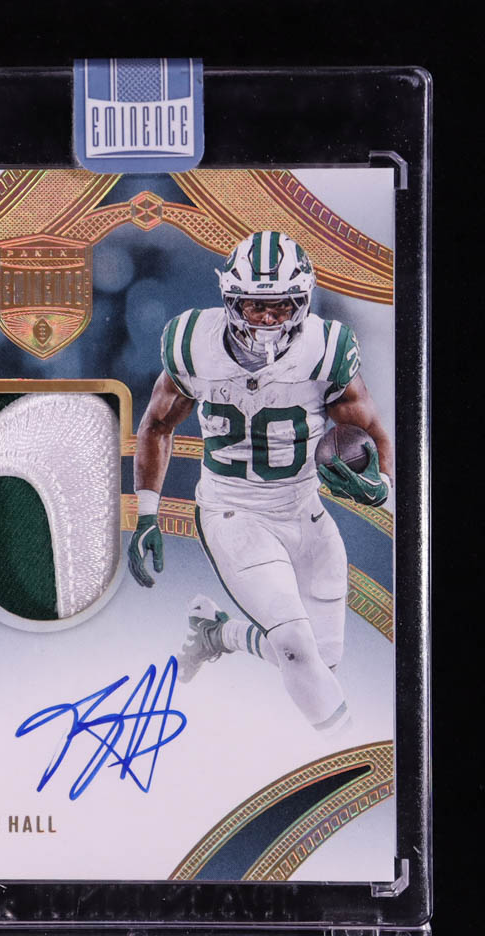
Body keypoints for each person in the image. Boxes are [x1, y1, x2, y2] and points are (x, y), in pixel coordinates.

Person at [128, 231, 393, 735]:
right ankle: (345, 747)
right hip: (234, 512)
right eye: (255, 306)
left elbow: (371, 429)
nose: (268, 319)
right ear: (231, 301)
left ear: (302, 301)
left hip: (304, 510)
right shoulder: (193, 343)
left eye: (281, 305)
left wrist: (380, 485)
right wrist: (146, 514)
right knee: (296, 650)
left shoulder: (325, 348)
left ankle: (218, 634)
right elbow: (158, 424)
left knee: (320, 662)